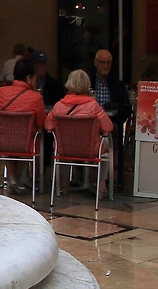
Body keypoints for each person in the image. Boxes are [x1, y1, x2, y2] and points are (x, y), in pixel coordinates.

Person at [46, 70, 115, 198]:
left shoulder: (59, 106)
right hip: (90, 149)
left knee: (62, 146)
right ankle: (101, 186)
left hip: (65, 149)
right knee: (107, 142)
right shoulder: (93, 106)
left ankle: (64, 184)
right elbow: (108, 127)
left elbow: (48, 126)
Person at [0, 58, 46, 193]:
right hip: (25, 144)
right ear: (29, 78)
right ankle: (15, 178)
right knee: (31, 139)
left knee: (6, 137)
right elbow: (41, 123)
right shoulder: (36, 97)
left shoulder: (1, 92)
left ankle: (12, 178)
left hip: (3, 141)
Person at [92, 49, 131, 192]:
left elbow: (126, 109)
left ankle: (107, 179)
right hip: (88, 122)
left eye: (109, 62)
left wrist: (112, 107)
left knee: (111, 133)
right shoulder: (88, 81)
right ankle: (81, 176)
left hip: (110, 122)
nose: (106, 66)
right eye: (102, 62)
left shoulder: (117, 84)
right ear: (95, 63)